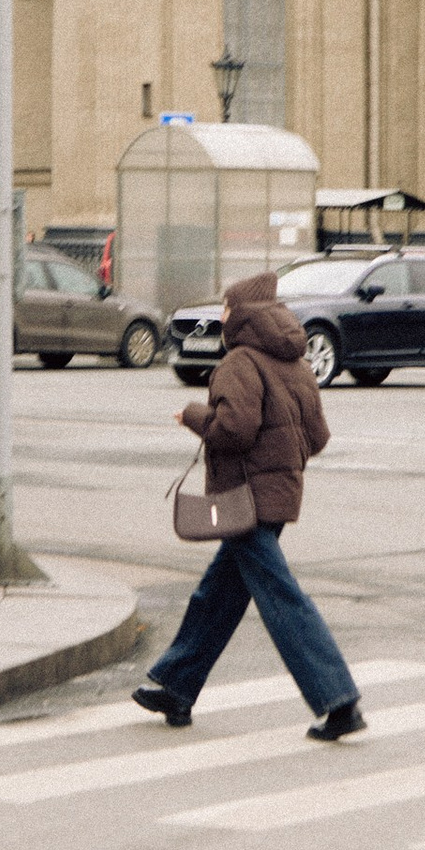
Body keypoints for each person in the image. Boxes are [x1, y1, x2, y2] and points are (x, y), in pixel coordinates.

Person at [135, 270, 364, 742]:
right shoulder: (296, 365)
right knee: (217, 595)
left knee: (281, 598)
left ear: (240, 315)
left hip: (244, 498)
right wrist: (285, 461)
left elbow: (234, 429)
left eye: (224, 309)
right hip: (279, 496)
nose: (220, 316)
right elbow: (317, 437)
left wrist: (195, 416)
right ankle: (175, 685)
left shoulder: (240, 362)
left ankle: (338, 699)